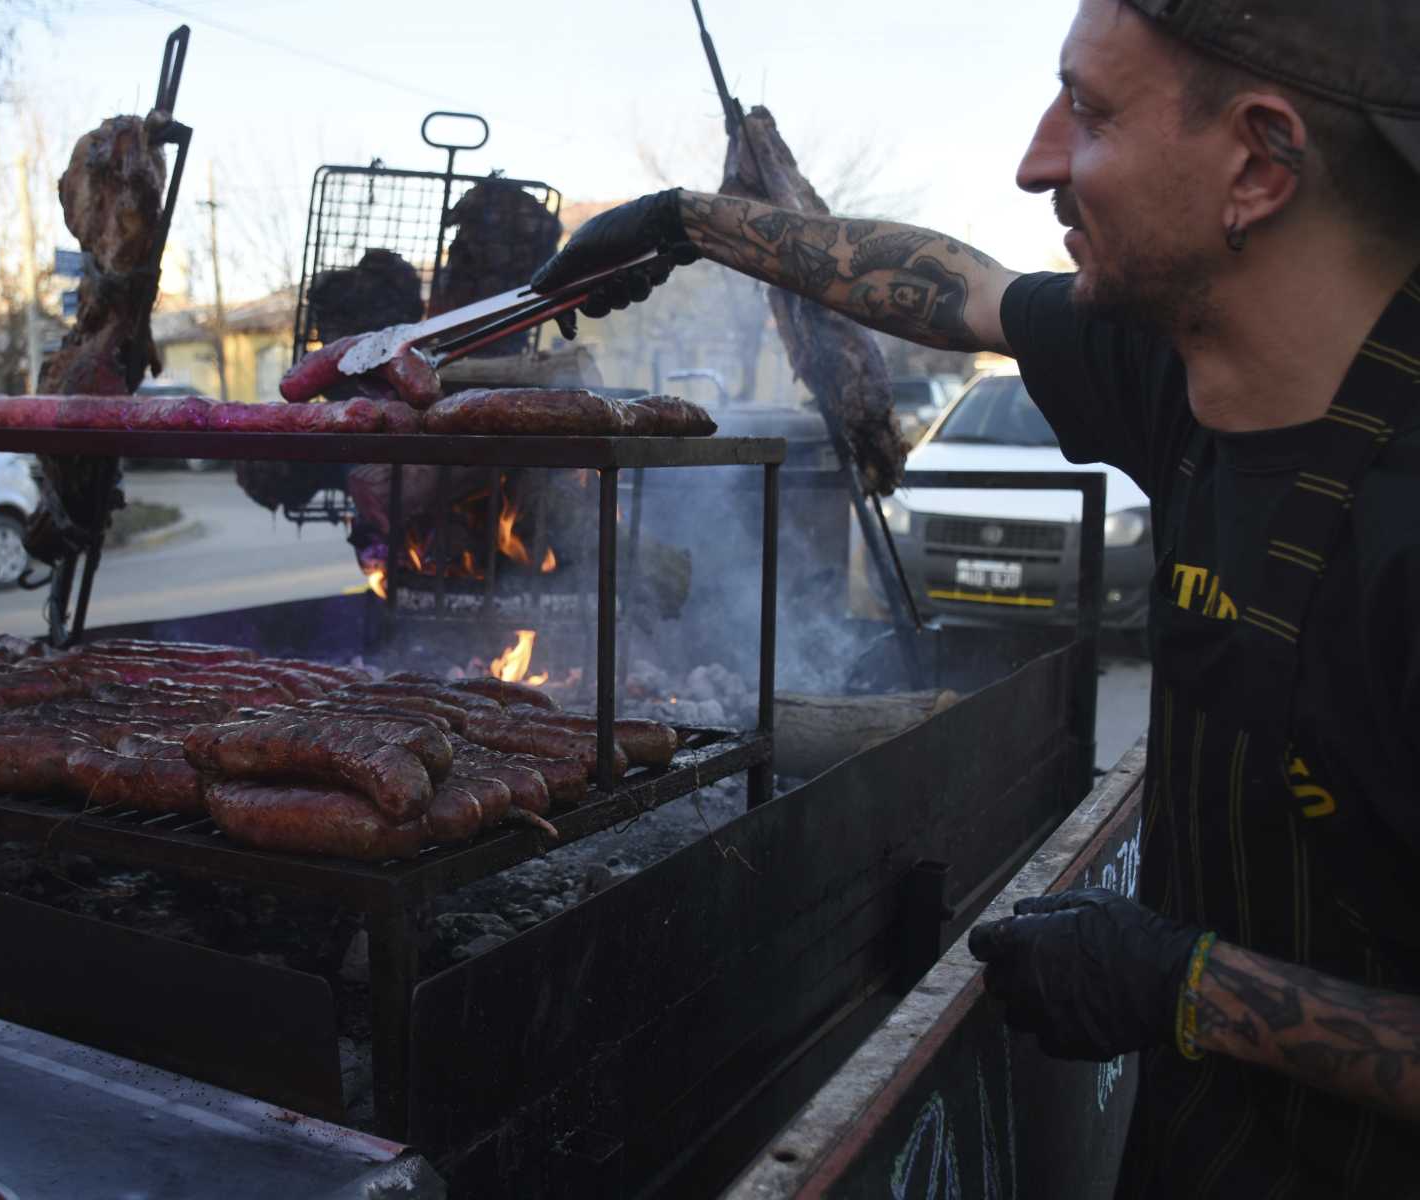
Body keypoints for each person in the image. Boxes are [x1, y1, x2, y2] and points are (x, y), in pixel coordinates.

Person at [529, 0, 1420, 1193]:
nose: (1037, 160)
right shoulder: (1192, 374)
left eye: (1090, 114)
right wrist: (693, 223)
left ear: (1257, 162)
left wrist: (1191, 987)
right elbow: (958, 289)